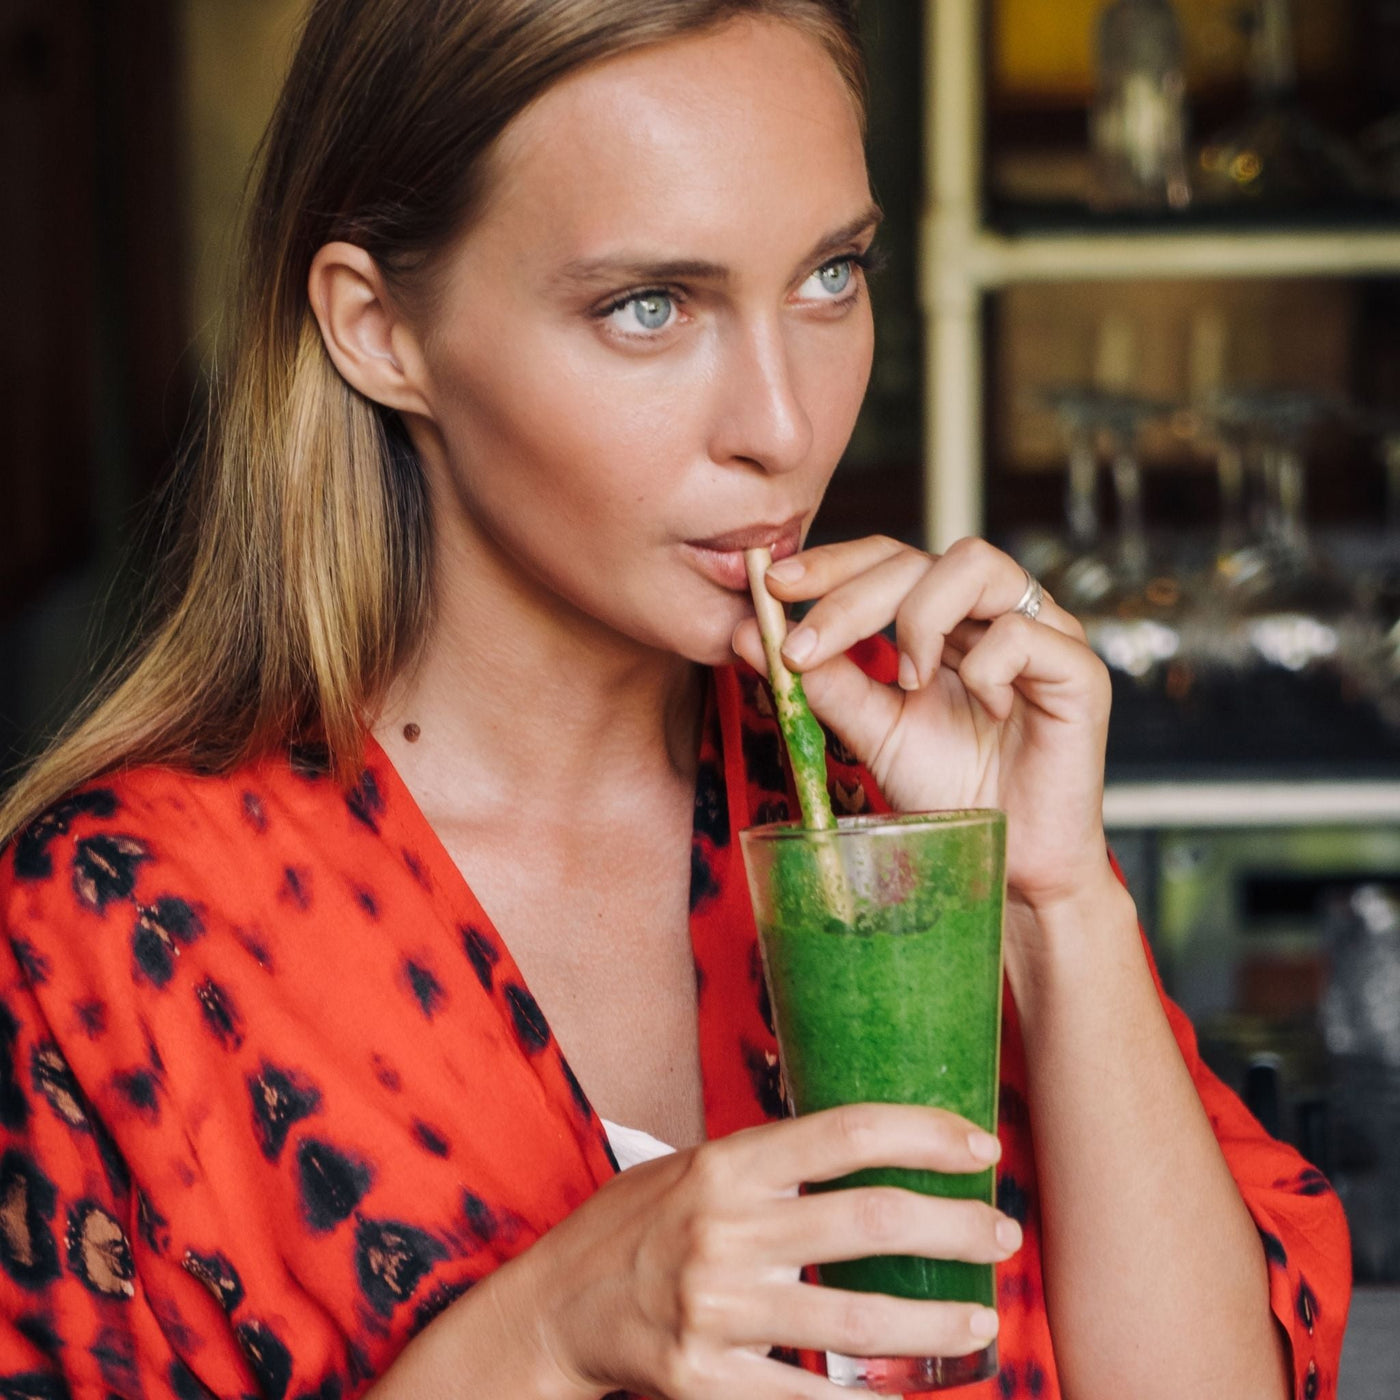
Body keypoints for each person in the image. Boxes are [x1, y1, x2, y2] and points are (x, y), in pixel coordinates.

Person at [0, 2, 1350, 1397]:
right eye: (651, 306)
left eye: (832, 276)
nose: (783, 424)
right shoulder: (119, 932)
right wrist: (541, 1335)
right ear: (379, 328)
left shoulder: (906, 788)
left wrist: (1061, 904)